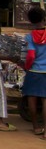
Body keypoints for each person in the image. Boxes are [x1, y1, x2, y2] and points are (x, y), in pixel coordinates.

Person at [22, 7, 46, 139]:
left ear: (31, 21)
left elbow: (30, 55)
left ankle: (36, 127)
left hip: (34, 71)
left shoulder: (30, 36)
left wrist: (27, 67)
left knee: (32, 98)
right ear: (44, 18)